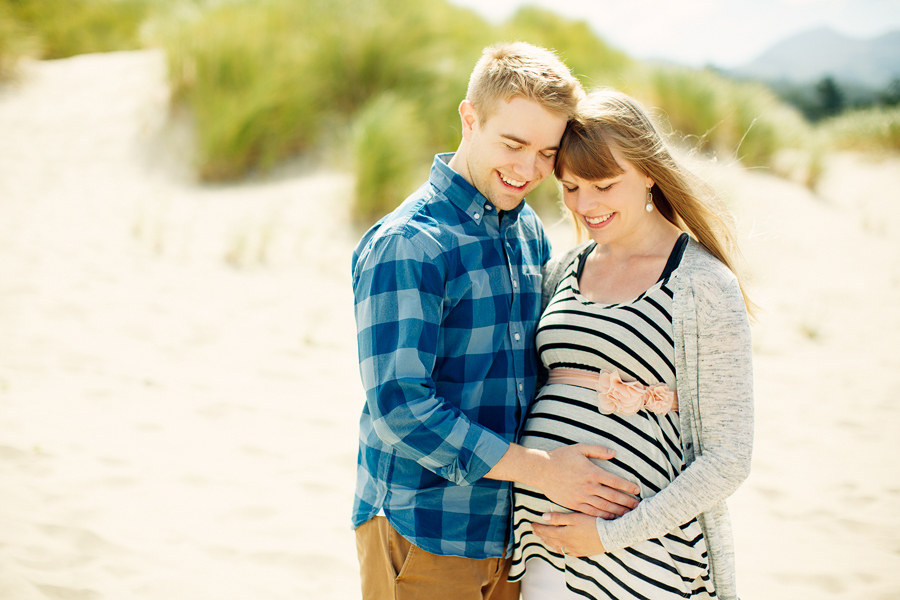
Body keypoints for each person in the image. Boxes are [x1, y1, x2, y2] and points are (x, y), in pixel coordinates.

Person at [351, 45, 643, 600]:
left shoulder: (527, 231)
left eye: (545, 153)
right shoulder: (409, 242)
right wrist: (541, 470)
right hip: (424, 529)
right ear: (469, 118)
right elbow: (400, 406)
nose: (528, 169)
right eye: (512, 144)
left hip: (512, 538)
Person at [508, 89, 755, 600]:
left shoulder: (703, 284)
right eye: (571, 187)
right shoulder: (563, 270)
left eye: (603, 184)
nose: (585, 205)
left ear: (649, 172)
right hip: (543, 551)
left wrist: (606, 535)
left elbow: (728, 457)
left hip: (640, 559)